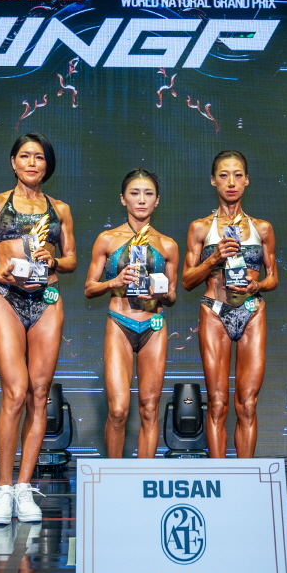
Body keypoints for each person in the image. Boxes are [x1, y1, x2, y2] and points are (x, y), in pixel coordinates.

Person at [0, 133, 77, 525]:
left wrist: (55, 260)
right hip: (7, 298)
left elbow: (72, 259)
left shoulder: (60, 209)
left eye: (39, 157)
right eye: (25, 156)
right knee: (14, 392)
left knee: (39, 395)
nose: (32, 163)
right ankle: (3, 489)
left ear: (48, 165)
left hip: (47, 300)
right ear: (13, 162)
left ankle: (25, 487)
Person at [182, 150, 278, 459]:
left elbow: (273, 278)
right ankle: (219, 475)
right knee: (218, 402)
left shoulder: (263, 228)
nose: (231, 182)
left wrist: (257, 285)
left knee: (247, 403)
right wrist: (213, 258)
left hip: (251, 312)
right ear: (213, 181)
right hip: (215, 311)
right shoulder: (200, 228)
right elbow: (187, 280)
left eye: (238, 175)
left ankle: (245, 477)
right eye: (224, 175)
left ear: (247, 180)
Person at [84, 169, 180, 459]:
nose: (141, 200)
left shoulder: (168, 245)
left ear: (157, 200)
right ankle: (114, 476)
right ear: (123, 199)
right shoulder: (107, 239)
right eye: (134, 193)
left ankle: (143, 477)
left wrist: (160, 294)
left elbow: (173, 295)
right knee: (118, 409)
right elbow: (89, 288)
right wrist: (114, 282)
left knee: (150, 408)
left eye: (148, 194)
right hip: (120, 322)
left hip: (154, 325)